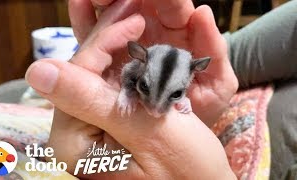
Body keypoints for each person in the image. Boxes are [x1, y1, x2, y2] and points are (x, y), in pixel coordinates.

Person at [25, 0, 297, 179]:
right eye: (145, 86)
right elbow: (133, 76)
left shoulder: (183, 76)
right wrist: (127, 92)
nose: (155, 110)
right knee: (11, 92)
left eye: (177, 94)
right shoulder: (141, 66)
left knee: (10, 93)